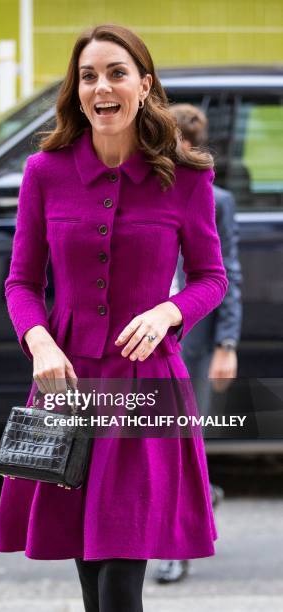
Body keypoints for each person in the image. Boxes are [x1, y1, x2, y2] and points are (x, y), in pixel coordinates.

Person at [0, 24, 228, 612]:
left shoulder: (187, 176)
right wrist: (40, 339)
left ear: (144, 85)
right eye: (88, 75)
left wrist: (170, 311)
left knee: (121, 580)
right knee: (90, 576)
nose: (102, 86)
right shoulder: (44, 173)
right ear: (77, 91)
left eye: (117, 73)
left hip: (145, 389)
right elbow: (21, 282)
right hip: (68, 385)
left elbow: (211, 278)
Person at [155, 103, 243, 584]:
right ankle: (200, 496)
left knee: (179, 442)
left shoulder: (215, 197)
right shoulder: (141, 190)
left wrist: (227, 342)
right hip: (148, 342)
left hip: (194, 339)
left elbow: (225, 272)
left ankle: (175, 549)